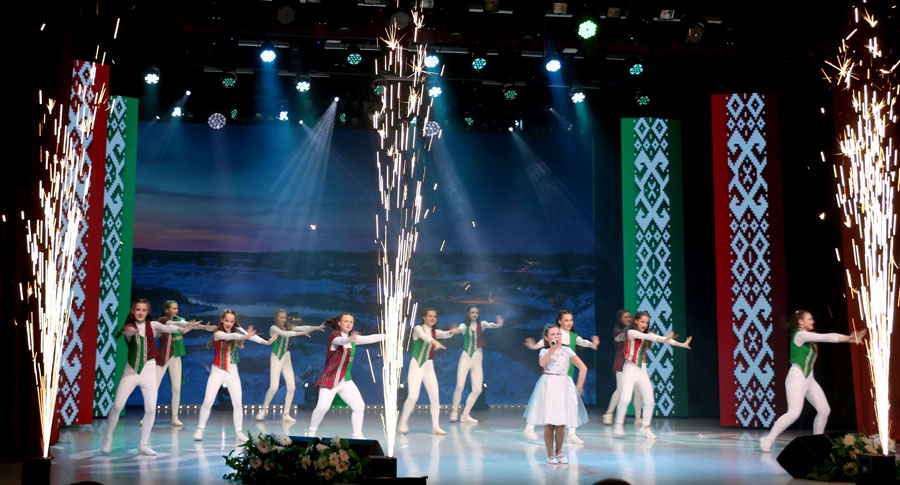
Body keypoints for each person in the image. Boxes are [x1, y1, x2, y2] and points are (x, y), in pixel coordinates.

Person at [759, 310, 866, 452]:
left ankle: (817, 442)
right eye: (809, 319)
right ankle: (768, 439)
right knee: (793, 413)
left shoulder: (808, 338)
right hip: (796, 377)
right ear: (800, 322)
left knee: (824, 410)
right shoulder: (800, 334)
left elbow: (827, 337)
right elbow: (825, 337)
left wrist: (850, 339)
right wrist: (848, 338)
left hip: (809, 379)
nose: (812, 321)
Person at [101, 299, 197, 455]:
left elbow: (168, 327)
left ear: (147, 312)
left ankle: (143, 444)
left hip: (149, 372)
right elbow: (129, 333)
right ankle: (108, 437)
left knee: (151, 409)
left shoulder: (152, 325)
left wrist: (185, 327)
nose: (140, 312)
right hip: (131, 372)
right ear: (133, 311)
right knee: (117, 406)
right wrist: (130, 332)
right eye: (138, 309)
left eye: (143, 310)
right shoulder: (129, 327)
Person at [193, 309, 272, 444]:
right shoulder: (218, 333)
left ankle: (239, 433)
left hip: (233, 372)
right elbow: (232, 336)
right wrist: (244, 337)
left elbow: (250, 336)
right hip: (217, 371)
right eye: (226, 320)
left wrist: (266, 342)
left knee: (237, 403)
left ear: (234, 321)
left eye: (231, 321)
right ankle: (200, 429)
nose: (228, 323)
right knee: (208, 401)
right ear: (222, 320)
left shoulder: (238, 331)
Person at [523, 309, 599, 443]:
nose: (569, 323)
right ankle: (530, 427)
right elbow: (542, 347)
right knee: (544, 402)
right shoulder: (551, 339)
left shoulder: (572, 339)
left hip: (566, 376)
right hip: (551, 375)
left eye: (571, 320)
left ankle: (572, 434)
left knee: (571, 403)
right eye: (566, 320)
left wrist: (593, 344)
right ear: (559, 321)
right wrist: (535, 346)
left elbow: (583, 343)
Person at [613, 311, 692, 439]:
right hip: (629, 368)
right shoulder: (631, 332)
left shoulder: (647, 334)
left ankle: (645, 428)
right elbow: (652, 337)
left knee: (650, 401)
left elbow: (661, 339)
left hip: (642, 370)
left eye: (646, 322)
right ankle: (618, 425)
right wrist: (663, 339)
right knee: (626, 398)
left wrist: (682, 344)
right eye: (642, 321)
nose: (644, 324)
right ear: (636, 321)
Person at [306, 313, 385, 439]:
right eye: (346, 321)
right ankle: (311, 432)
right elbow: (341, 341)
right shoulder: (335, 337)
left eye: (351, 322)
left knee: (359, 406)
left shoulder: (351, 339)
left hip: (345, 380)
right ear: (339, 323)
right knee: (322, 407)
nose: (348, 324)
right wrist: (349, 339)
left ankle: (357, 435)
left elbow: (370, 338)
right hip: (330, 379)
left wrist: (388, 336)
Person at [523, 325, 588, 464]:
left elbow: (583, 367)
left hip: (564, 385)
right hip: (549, 385)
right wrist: (552, 350)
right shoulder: (544, 351)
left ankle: (559, 452)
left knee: (561, 423)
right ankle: (550, 454)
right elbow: (542, 363)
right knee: (550, 423)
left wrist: (579, 385)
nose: (556, 336)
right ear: (546, 338)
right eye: (552, 334)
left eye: (558, 334)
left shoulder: (567, 350)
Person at [398, 309, 461, 435]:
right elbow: (425, 338)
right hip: (416, 366)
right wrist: (435, 342)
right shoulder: (418, 329)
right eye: (430, 316)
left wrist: (451, 332)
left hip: (429, 368)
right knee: (413, 396)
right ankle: (403, 422)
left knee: (435, 398)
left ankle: (435, 427)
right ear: (424, 317)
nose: (433, 318)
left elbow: (445, 334)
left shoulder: (434, 332)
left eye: (435, 316)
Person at [154, 299, 215, 427]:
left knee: (176, 388)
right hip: (163, 357)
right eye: (173, 308)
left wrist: (205, 328)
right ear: (167, 310)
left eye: (177, 308)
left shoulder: (179, 320)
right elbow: (179, 324)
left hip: (176, 356)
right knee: (154, 387)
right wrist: (188, 324)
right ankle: (147, 416)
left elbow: (188, 325)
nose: (176, 310)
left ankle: (175, 417)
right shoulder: (163, 320)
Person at [255, 310, 324, 422]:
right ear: (276, 318)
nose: (284, 319)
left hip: (286, 357)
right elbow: (286, 334)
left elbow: (302, 327)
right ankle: (263, 410)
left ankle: (286, 414)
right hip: (277, 357)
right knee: (274, 387)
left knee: (291, 387)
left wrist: (316, 327)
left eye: (285, 317)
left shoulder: (287, 326)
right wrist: (303, 333)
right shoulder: (273, 328)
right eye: (281, 317)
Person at [451, 305, 504, 423]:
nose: (475, 314)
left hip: (477, 358)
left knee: (477, 389)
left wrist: (499, 324)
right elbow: (459, 329)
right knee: (460, 386)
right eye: (472, 312)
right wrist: (454, 331)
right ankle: (454, 411)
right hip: (466, 357)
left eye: (476, 312)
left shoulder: (482, 324)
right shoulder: (464, 326)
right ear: (468, 314)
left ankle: (465, 414)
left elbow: (492, 325)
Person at [602, 309, 642, 426]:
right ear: (620, 319)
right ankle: (609, 413)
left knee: (638, 391)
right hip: (621, 362)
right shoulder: (617, 331)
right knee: (620, 390)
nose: (628, 319)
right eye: (625, 317)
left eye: (630, 317)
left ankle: (638, 418)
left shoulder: (635, 331)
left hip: (634, 363)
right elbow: (621, 337)